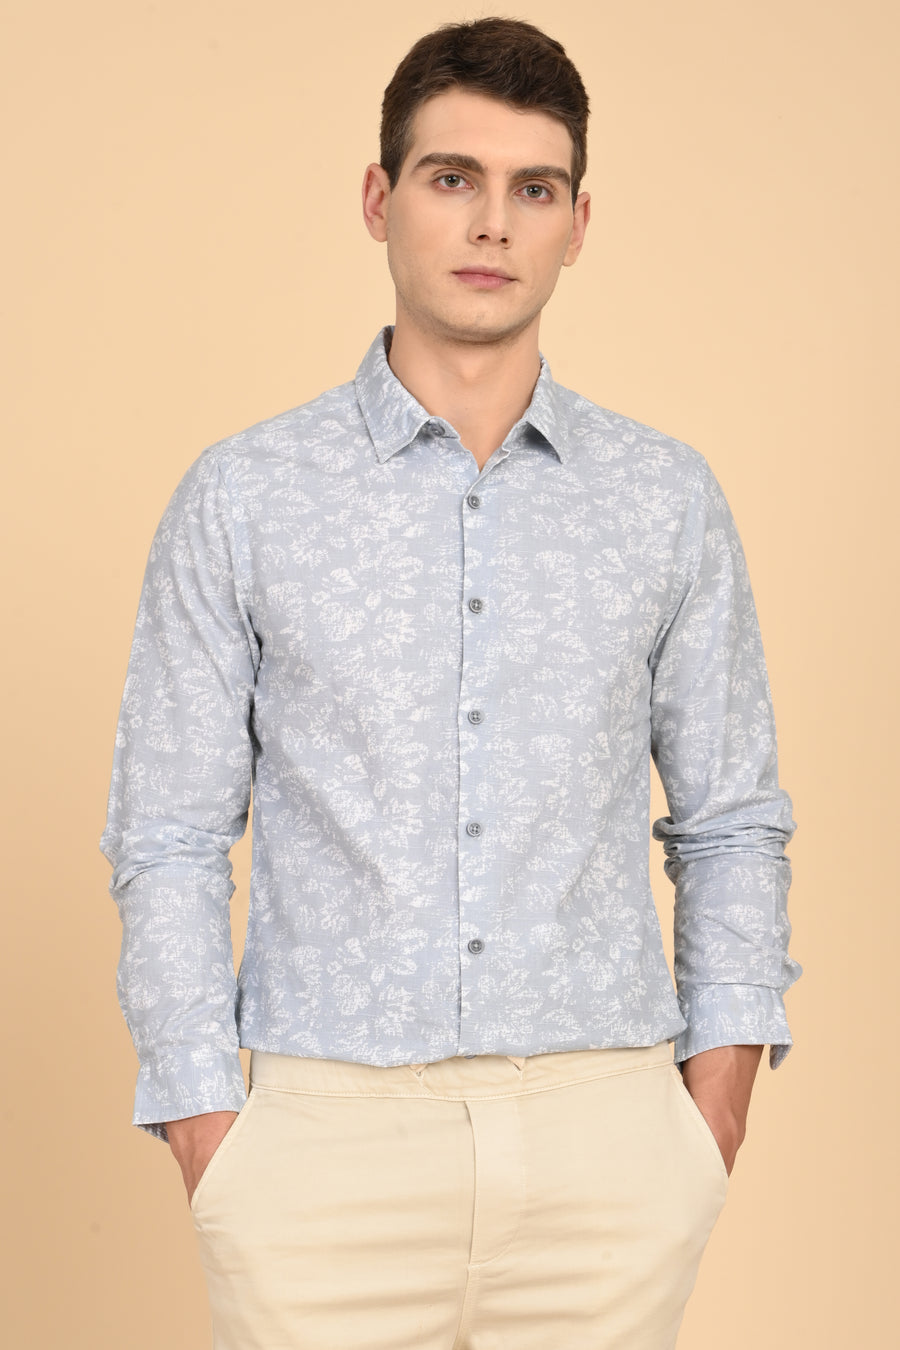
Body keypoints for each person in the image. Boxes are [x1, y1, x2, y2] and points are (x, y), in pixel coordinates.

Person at [100, 17, 801, 1350]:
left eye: (534, 188)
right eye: (451, 178)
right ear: (380, 199)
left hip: (608, 1146)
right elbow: (169, 833)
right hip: (322, 1149)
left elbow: (730, 819)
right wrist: (207, 1125)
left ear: (578, 223)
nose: (492, 224)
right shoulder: (246, 496)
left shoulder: (663, 499)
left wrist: (710, 1114)